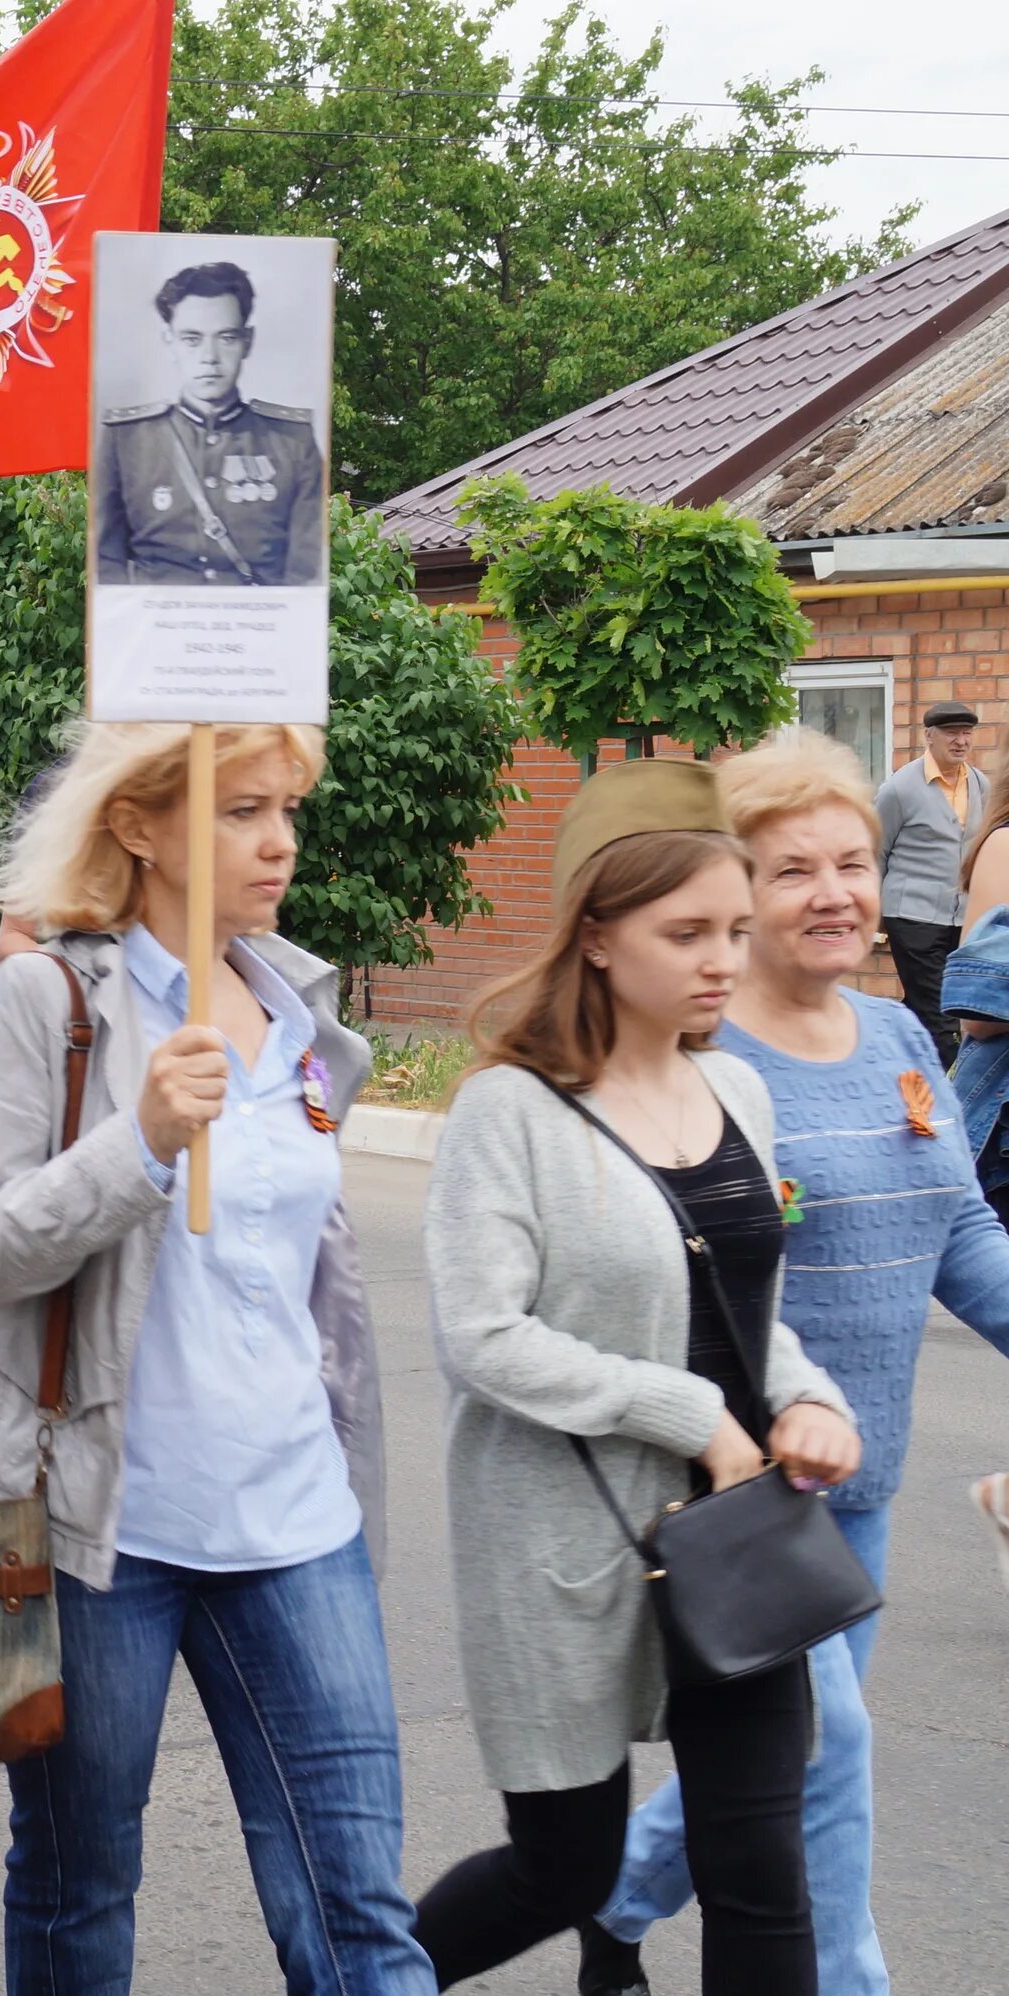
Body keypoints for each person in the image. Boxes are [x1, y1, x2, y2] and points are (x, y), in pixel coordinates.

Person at [0, 720, 428, 1991]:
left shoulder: (298, 1007)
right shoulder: (47, 1003)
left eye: (287, 809)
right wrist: (139, 1145)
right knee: (79, 1889)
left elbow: (312, 1291)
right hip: (105, 1535)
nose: (280, 841)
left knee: (359, 1913)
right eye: (242, 809)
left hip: (298, 1524)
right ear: (137, 826)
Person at [412, 757, 861, 1994]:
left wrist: (808, 1397)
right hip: (567, 1545)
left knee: (762, 1867)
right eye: (687, 933)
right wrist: (693, 1413)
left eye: (732, 928)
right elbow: (483, 1335)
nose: (724, 958)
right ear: (597, 936)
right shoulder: (510, 1110)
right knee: (563, 1863)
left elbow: (743, 1305)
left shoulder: (739, 1089)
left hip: (737, 1534)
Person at [572, 733, 1009, 1996]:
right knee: (831, 1763)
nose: (835, 892)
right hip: (745, 1486)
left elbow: (963, 1231)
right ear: (731, 893)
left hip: (859, 1489)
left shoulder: (898, 1039)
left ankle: (611, 1908)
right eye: (793, 868)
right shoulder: (699, 1067)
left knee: (777, 1761)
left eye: (854, 863)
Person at [92, 260, 326, 587]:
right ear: (169, 341)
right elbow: (106, 567)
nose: (209, 357)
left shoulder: (291, 442)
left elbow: (306, 575)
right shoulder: (126, 440)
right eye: (192, 339)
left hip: (259, 631)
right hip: (156, 631)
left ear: (248, 341)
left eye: (226, 338)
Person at [876, 698, 984, 1063]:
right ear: (929, 736)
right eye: (952, 732)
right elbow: (875, 852)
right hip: (911, 914)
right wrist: (873, 916)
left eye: (967, 733)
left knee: (930, 1006)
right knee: (940, 1014)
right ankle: (951, 1095)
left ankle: (891, 1062)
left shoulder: (982, 785)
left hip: (961, 916)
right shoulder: (899, 789)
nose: (960, 741)